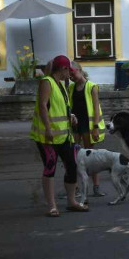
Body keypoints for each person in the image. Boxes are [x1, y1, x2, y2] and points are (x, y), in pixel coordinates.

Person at [31, 54, 89, 217]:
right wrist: (48, 128)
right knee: (50, 167)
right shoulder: (47, 82)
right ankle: (52, 206)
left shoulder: (61, 85)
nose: (70, 74)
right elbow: (43, 106)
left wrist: (71, 116)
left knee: (72, 166)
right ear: (63, 69)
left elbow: (59, 107)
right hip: (48, 137)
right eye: (68, 70)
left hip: (64, 135)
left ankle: (72, 202)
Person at [69, 61, 106, 198]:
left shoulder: (91, 87)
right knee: (73, 157)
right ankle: (75, 188)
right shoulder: (71, 88)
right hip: (75, 125)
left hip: (87, 126)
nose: (71, 76)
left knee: (90, 157)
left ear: (79, 70)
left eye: (72, 73)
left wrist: (95, 127)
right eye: (69, 74)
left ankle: (96, 187)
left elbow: (96, 109)